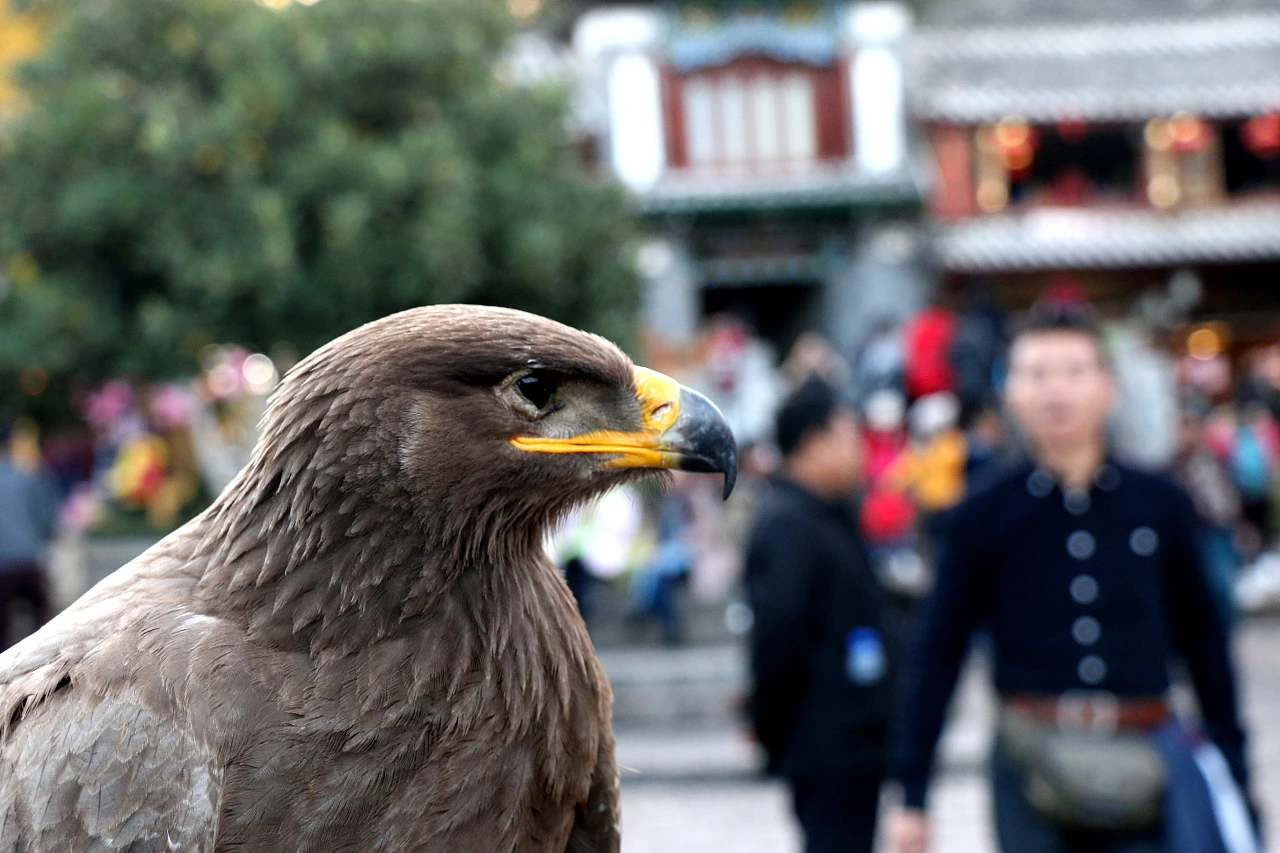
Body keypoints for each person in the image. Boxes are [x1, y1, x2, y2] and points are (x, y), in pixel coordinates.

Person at [888, 304, 1255, 853]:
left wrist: (1235, 770)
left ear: (1108, 386)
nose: (1056, 391)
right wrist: (913, 798)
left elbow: (1205, 641)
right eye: (1037, 374)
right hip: (1029, 759)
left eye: (1074, 372)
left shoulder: (1159, 502)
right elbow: (939, 651)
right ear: (1010, 390)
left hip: (1147, 748)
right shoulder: (980, 512)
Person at [745, 379, 899, 853]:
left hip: (855, 743)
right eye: (849, 437)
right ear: (813, 443)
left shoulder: (829, 515)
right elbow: (776, 638)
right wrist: (771, 727)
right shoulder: (789, 523)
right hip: (825, 743)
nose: (859, 452)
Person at [0, 418, 58, 649]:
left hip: (2, 565)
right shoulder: (28, 477)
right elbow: (46, 518)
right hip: (28, 559)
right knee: (41, 627)